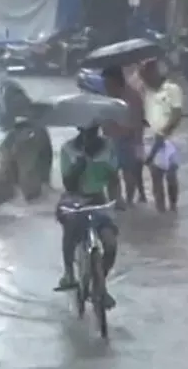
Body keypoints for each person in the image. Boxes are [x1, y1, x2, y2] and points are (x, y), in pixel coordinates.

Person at [54, 123, 120, 309]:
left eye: (93, 132)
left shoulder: (108, 148)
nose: (89, 137)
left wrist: (118, 200)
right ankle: (69, 273)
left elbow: (114, 179)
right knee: (71, 229)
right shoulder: (68, 149)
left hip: (99, 199)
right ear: (80, 132)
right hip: (74, 198)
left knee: (110, 244)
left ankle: (100, 285)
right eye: (86, 133)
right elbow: (68, 183)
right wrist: (79, 165)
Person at [137, 60, 183, 212]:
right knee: (155, 177)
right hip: (151, 138)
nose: (145, 78)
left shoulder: (172, 89)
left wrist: (164, 131)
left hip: (170, 139)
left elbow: (177, 114)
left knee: (171, 177)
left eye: (147, 74)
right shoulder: (145, 92)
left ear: (156, 73)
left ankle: (173, 207)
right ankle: (161, 211)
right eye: (143, 75)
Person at [102, 66, 147, 206]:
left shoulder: (132, 97)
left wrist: (138, 143)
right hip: (110, 140)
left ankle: (129, 201)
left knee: (129, 173)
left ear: (116, 81)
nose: (106, 86)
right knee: (111, 175)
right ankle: (116, 202)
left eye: (108, 83)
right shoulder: (106, 96)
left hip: (127, 139)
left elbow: (138, 121)